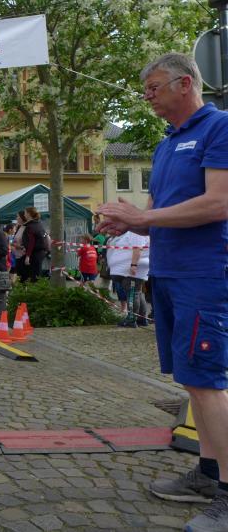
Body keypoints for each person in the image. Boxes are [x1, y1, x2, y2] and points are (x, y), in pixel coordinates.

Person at [97, 52, 228, 532]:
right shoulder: (164, 144)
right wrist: (127, 223)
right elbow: (155, 214)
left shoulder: (219, 127)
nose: (147, 96)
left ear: (185, 83)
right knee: (193, 380)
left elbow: (219, 203)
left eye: (154, 87)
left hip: (204, 274)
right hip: (168, 274)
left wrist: (143, 217)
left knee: (208, 381)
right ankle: (209, 474)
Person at [22, 207, 48, 282]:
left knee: (34, 276)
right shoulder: (39, 224)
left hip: (35, 253)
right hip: (41, 252)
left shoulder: (30, 226)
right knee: (37, 273)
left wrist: (28, 256)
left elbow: (31, 242)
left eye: (25, 213)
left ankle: (36, 287)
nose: (24, 215)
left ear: (29, 214)